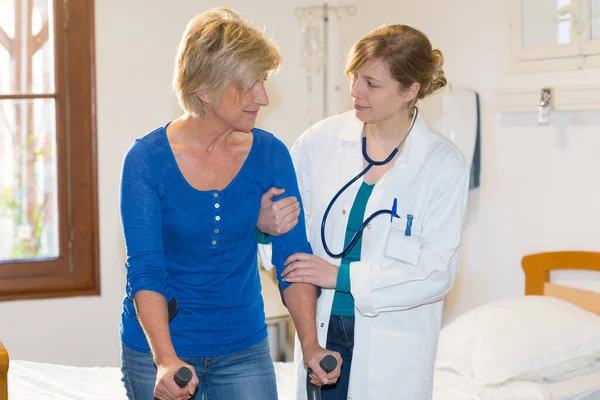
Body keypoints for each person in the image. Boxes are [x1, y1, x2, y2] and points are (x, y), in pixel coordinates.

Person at [119, 8, 341, 400]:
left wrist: (310, 345)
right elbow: (146, 269)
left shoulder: (271, 155)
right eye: (248, 84)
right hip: (160, 348)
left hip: (243, 348)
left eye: (263, 81)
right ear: (205, 89)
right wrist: (167, 360)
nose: (264, 97)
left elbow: (294, 261)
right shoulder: (146, 161)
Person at [260, 24, 469, 399]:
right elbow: (281, 231)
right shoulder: (319, 142)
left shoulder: (442, 165)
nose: (355, 92)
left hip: (391, 340)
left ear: (410, 90)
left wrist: (341, 276)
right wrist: (263, 228)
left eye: (371, 83)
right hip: (322, 325)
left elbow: (436, 272)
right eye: (354, 77)